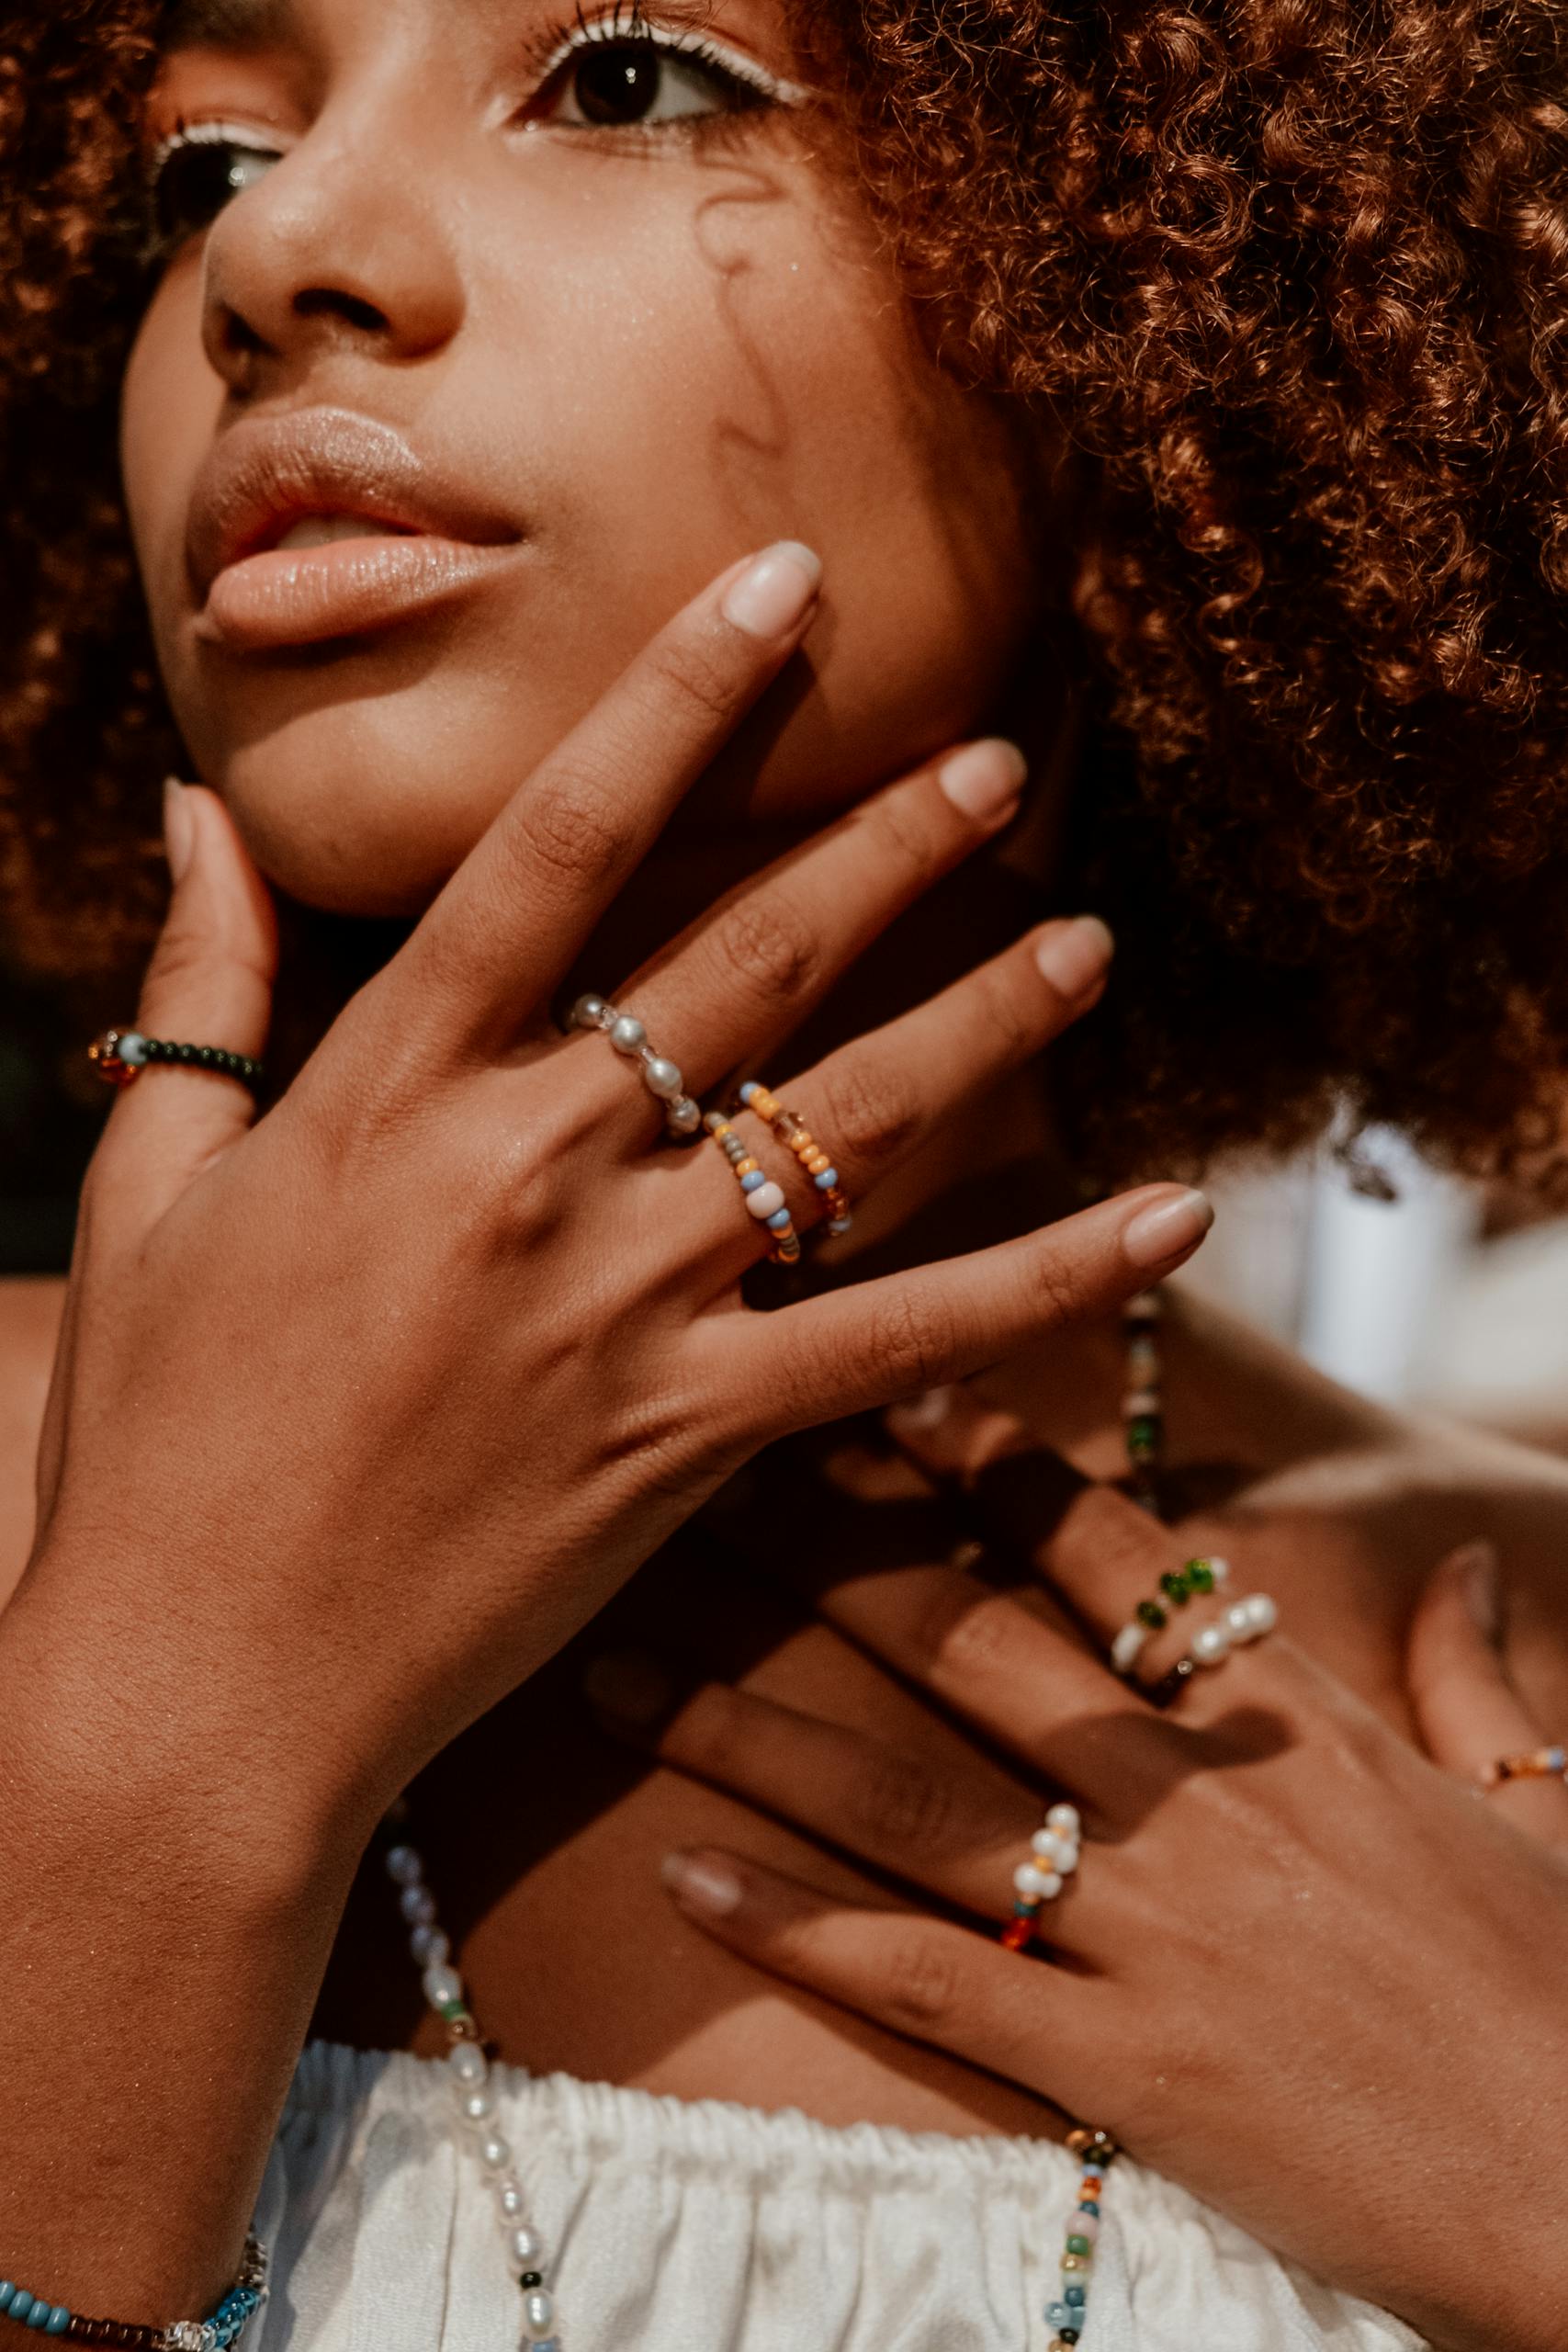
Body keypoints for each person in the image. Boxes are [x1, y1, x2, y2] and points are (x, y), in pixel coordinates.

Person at [1, 2, 1567, 2348]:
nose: (280, 249)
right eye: (204, 158)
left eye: (628, 78)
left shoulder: (1512, 1637)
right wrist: (149, 1763)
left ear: (1165, 327)